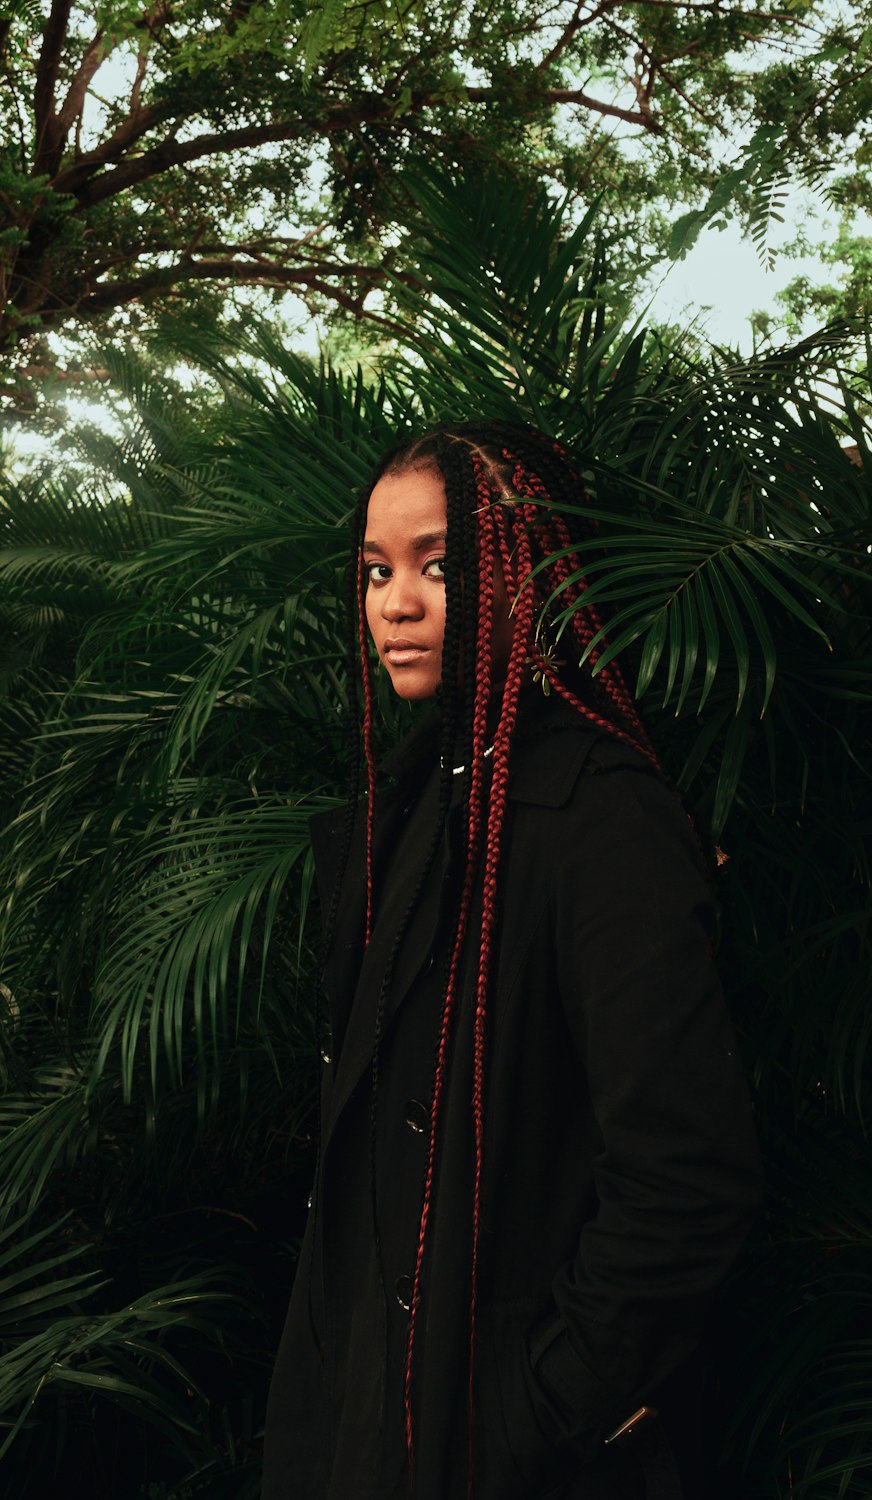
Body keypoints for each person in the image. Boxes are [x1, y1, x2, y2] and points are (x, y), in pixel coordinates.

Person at [262, 423, 761, 1500]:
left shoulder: (599, 816)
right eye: (374, 571)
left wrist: (535, 1412)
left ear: (524, 575)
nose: (396, 602)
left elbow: (686, 1179)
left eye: (438, 565)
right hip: (373, 1419)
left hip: (511, 1443)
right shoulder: (404, 808)